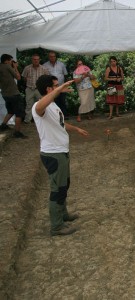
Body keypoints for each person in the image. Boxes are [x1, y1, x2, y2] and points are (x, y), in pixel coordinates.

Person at [33, 75, 88, 236]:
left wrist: (76, 129)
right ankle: (56, 227)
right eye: (56, 86)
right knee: (57, 189)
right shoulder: (39, 106)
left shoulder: (53, 106)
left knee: (64, 185)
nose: (60, 88)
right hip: (53, 154)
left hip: (61, 152)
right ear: (49, 89)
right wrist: (58, 90)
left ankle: (63, 215)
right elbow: (38, 109)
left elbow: (61, 123)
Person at [0, 54, 26, 138]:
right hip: (14, 94)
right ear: (7, 61)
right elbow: (18, 77)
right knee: (19, 113)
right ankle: (17, 132)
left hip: (5, 94)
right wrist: (15, 67)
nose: (12, 62)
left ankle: (3, 125)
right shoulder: (7, 67)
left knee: (10, 111)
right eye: (11, 61)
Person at [22, 54, 49, 123]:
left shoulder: (44, 68)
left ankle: (43, 119)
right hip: (30, 89)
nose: (36, 61)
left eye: (37, 59)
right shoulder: (27, 68)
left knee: (42, 104)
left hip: (40, 90)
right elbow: (24, 78)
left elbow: (47, 79)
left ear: (39, 60)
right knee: (29, 105)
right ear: (32, 60)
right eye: (34, 59)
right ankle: (27, 120)